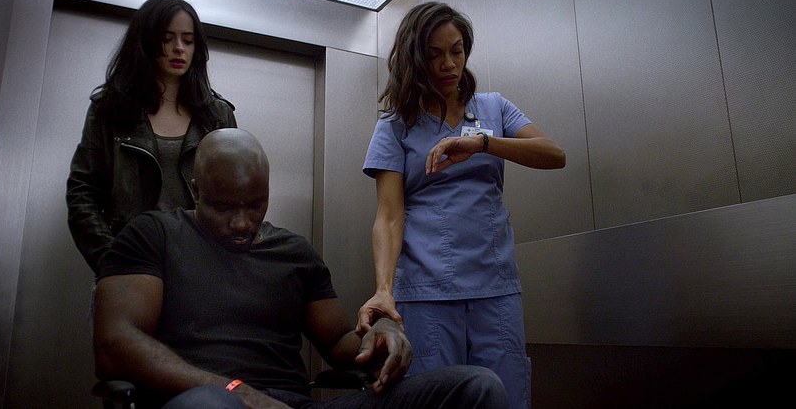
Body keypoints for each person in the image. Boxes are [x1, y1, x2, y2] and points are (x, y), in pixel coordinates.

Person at [93, 128, 509, 409]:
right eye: (223, 207)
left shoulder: (293, 252)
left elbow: (341, 341)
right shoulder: (154, 235)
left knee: (476, 387)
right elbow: (115, 344)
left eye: (255, 205)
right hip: (205, 400)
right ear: (196, 192)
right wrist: (238, 392)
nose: (241, 223)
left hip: (291, 404)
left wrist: (382, 334)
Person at [357, 2, 566, 409]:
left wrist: (482, 143)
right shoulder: (395, 125)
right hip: (426, 290)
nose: (448, 64)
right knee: (437, 396)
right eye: (435, 54)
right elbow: (389, 216)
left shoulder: (493, 108)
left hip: (494, 286)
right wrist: (384, 290)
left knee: (504, 395)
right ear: (415, 58)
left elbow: (554, 154)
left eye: (457, 51)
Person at [67, 0, 237, 273]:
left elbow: (235, 196)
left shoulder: (217, 115)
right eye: (167, 38)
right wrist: (113, 261)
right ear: (145, 41)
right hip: (130, 260)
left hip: (199, 265)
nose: (179, 48)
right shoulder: (110, 109)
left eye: (188, 40)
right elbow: (83, 193)